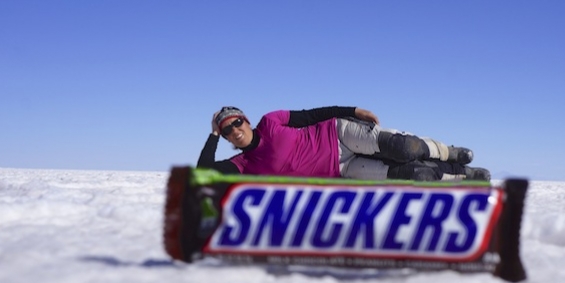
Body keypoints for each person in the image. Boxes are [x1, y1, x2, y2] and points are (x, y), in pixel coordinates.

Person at [197, 105, 491, 181]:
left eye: (237, 122)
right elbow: (203, 172)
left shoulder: (272, 121)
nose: (235, 130)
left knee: (404, 149)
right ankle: (462, 173)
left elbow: (312, 114)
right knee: (417, 175)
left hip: (338, 133)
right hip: (342, 169)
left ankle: (448, 151)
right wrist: (211, 133)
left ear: (246, 120)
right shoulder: (242, 164)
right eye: (226, 131)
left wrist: (352, 112)